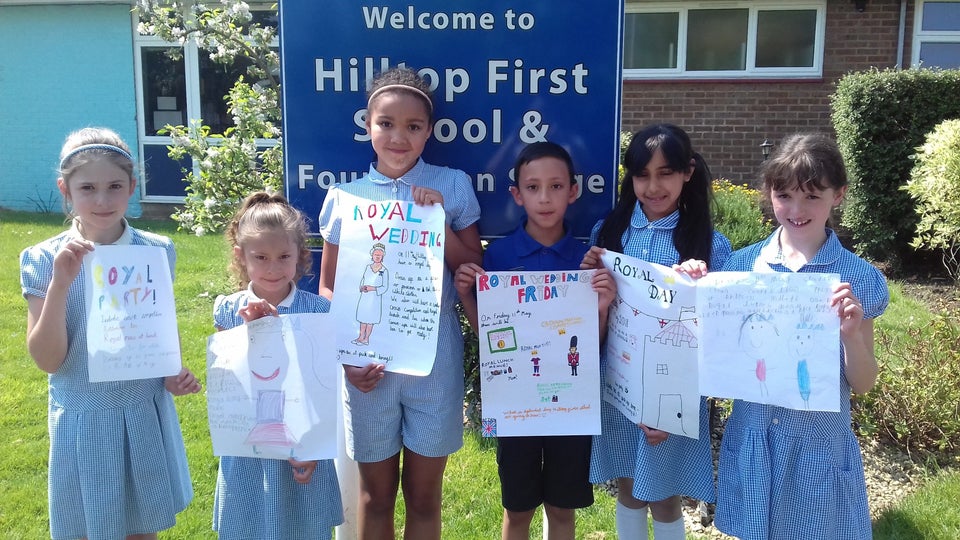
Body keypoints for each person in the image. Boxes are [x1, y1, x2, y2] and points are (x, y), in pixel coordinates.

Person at [678, 133, 888, 540]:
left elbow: (863, 383)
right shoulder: (740, 267)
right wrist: (695, 291)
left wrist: (850, 336)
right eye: (784, 194)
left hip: (817, 446)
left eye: (812, 196)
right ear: (768, 193)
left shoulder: (857, 279)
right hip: (754, 437)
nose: (796, 209)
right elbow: (710, 350)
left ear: (839, 195)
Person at [317, 66, 482, 540]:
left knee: (425, 498)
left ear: (429, 131)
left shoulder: (450, 186)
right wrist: (348, 356)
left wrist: (438, 222)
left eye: (413, 126)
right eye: (386, 123)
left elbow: (471, 268)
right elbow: (328, 289)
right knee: (375, 496)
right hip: (367, 367)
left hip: (435, 362)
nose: (398, 136)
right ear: (367, 124)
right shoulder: (345, 196)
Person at [19, 127, 200, 540]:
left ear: (132, 186)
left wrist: (170, 371)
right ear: (65, 190)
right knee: (87, 529)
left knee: (141, 530)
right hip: (84, 417)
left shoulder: (156, 251)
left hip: (140, 412)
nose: (102, 200)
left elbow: (152, 331)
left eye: (115, 186)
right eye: (88, 188)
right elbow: (48, 360)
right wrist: (61, 284)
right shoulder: (43, 259)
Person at [454, 141, 616, 540]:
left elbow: (591, 346)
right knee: (518, 509)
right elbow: (490, 339)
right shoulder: (499, 256)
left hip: (570, 405)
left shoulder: (588, 260)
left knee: (562, 508)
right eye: (533, 187)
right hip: (516, 406)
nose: (545, 198)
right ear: (517, 194)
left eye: (556, 186)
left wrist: (602, 307)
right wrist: (465, 296)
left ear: (573, 191)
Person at [582, 124, 732, 539]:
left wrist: (697, 288)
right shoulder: (607, 234)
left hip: (676, 389)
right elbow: (593, 311)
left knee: (666, 496)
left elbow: (717, 332)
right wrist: (589, 280)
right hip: (619, 382)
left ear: (687, 172)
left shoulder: (711, 245)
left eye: (665, 173)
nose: (653, 186)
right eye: (642, 174)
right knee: (627, 488)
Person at [211, 191, 344, 540]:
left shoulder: (317, 311)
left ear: (301, 254)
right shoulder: (228, 310)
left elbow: (324, 387)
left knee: (305, 528)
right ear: (241, 257)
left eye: (284, 256)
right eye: (261, 257)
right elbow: (227, 385)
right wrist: (251, 334)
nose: (273, 268)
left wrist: (314, 449)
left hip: (303, 451)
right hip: (248, 455)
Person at [353, 242, 389, 346]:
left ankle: (366, 338)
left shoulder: (384, 270)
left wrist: (373, 289)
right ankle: (360, 337)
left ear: (382, 256)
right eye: (375, 255)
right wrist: (361, 288)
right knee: (362, 319)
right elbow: (363, 279)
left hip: (375, 299)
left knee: (370, 321)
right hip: (365, 297)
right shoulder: (368, 267)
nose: (377, 257)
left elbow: (385, 287)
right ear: (372, 255)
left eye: (379, 255)